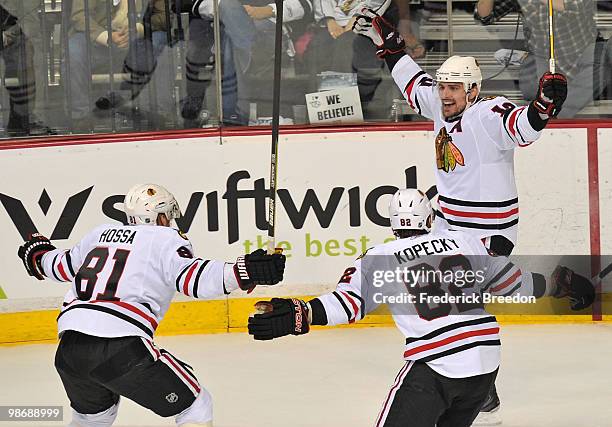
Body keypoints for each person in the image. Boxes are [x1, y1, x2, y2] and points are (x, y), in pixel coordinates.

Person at [352, 9, 568, 424]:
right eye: (444, 86)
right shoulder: (439, 102)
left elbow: (524, 126)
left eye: (455, 89)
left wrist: (543, 105)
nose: (446, 95)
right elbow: (412, 81)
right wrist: (391, 46)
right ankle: (479, 385)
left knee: (464, 299)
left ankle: (480, 387)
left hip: (490, 233)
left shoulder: (488, 115)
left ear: (472, 91)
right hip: (449, 225)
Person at [248, 189, 594, 427]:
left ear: (392, 223)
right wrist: (559, 283)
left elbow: (348, 304)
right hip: (487, 362)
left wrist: (300, 314)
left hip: (438, 363)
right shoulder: (466, 241)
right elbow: (515, 284)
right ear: (429, 219)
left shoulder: (380, 257)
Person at [17, 183, 286, 427]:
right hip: (120, 347)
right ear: (160, 216)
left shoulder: (100, 234)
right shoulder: (166, 240)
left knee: (92, 419)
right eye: (167, 214)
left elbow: (58, 265)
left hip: (69, 351)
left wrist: (38, 253)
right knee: (196, 407)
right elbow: (194, 278)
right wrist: (246, 271)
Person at [475, 0, 608, 119]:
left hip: (583, 49)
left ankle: (558, 115)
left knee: (602, 63)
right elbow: (484, 17)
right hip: (544, 55)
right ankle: (527, 60)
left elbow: (575, 6)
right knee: (531, 90)